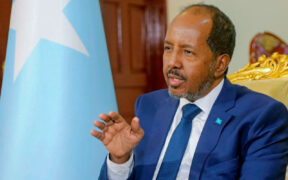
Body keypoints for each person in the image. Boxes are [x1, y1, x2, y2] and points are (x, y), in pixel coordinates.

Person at [91, 4, 288, 180]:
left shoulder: (261, 116)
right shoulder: (149, 105)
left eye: (188, 52)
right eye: (168, 48)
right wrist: (120, 160)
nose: (172, 62)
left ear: (220, 64)